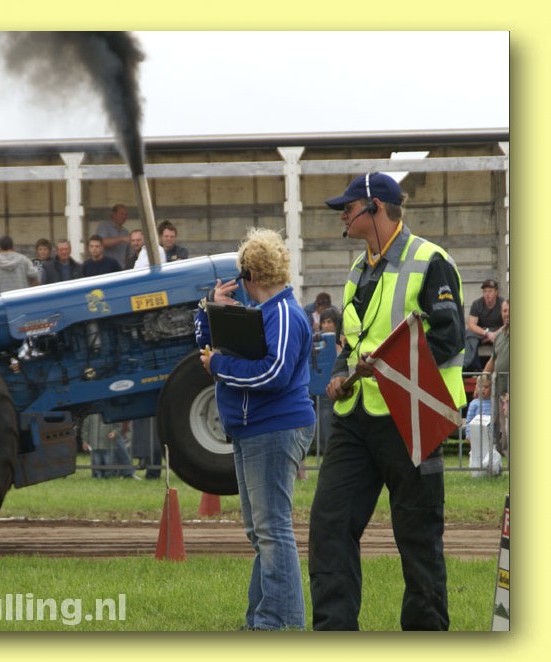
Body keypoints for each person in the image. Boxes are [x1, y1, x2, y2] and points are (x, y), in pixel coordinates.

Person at [310, 172, 466, 631]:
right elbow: (351, 343)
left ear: (374, 207)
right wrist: (340, 375)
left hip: (412, 417)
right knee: (329, 525)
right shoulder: (356, 271)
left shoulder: (430, 261)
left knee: (418, 538)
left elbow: (449, 338)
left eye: (348, 208)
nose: (342, 216)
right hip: (355, 418)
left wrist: (384, 366)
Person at [195, 227, 315, 631]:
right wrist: (210, 311)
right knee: (261, 531)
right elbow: (214, 345)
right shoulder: (266, 313)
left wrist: (219, 366)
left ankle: (279, 624)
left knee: (272, 529)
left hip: (274, 428)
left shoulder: (284, 315)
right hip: (256, 430)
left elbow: (274, 374)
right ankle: (264, 619)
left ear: (249, 275)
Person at [299, 306, 342, 479]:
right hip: (316, 387)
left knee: (327, 424)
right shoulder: (316, 341)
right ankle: (303, 469)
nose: (326, 325)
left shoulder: (342, 341)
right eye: (323, 322)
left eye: (330, 321)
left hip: (333, 390)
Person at [483, 298, 510, 455]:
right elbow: (493, 360)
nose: (507, 314)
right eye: (505, 311)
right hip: (501, 390)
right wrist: (482, 380)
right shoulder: (500, 336)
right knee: (503, 427)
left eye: (509, 310)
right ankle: (505, 457)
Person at [463, 278, 505, 372]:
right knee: (469, 334)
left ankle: (503, 367)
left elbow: (508, 323)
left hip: (498, 331)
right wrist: (486, 333)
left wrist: (495, 334)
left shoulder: (503, 303)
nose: (487, 294)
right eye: (485, 291)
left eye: (490, 291)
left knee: (507, 335)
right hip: (483, 331)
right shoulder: (477, 304)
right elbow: (471, 324)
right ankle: (470, 367)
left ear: (496, 292)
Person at [80, 413, 123, 478]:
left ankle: (109, 476)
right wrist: (85, 441)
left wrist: (114, 433)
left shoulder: (111, 414)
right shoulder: (90, 415)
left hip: (108, 445)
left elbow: (118, 426)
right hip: (94, 445)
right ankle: (97, 476)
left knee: (109, 462)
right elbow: (85, 429)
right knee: (96, 463)